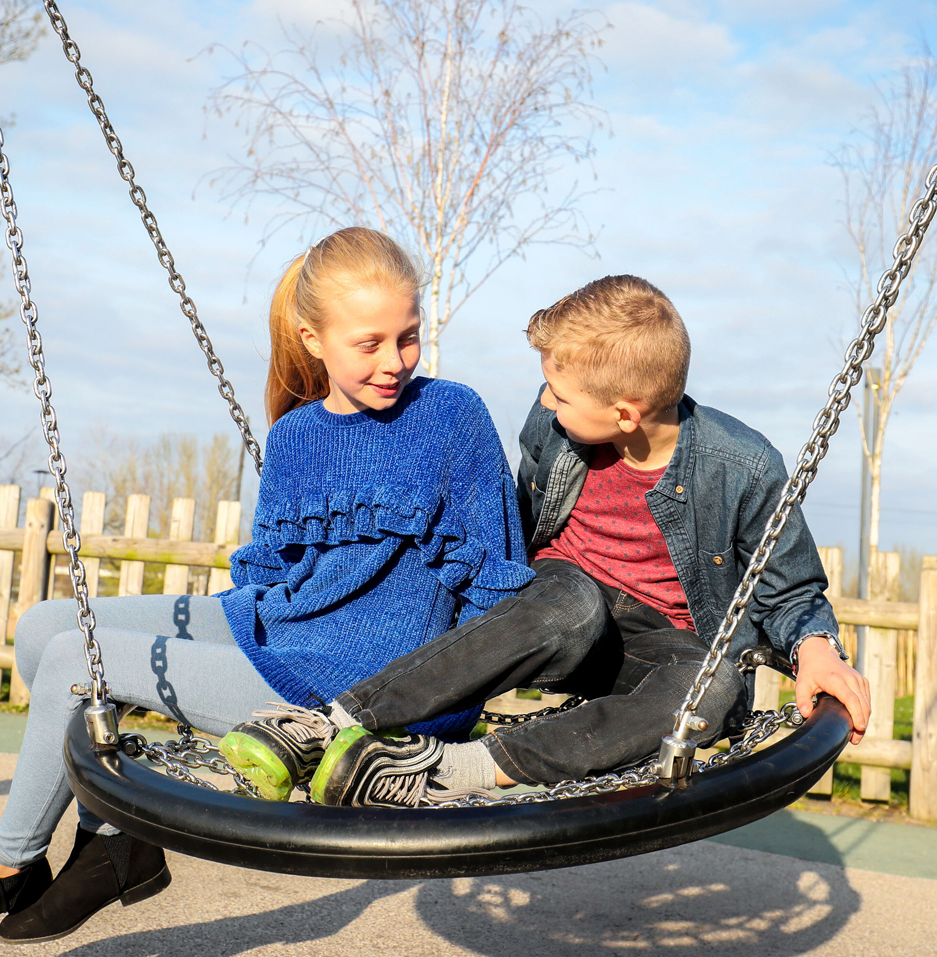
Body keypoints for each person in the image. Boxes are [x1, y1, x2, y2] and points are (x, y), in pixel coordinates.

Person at [0, 227, 533, 951]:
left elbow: (497, 584)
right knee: (47, 625)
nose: (395, 362)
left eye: (407, 337)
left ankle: (6, 863)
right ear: (313, 339)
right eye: (368, 343)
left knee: (70, 662)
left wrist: (435, 715)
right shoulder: (297, 435)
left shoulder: (451, 416)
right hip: (276, 627)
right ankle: (113, 836)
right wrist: (247, 615)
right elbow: (276, 570)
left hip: (351, 684)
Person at [220, 274, 871, 807]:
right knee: (572, 596)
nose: (546, 404)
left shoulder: (745, 466)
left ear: (625, 412)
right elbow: (507, 532)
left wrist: (816, 650)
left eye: (560, 395)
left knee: (714, 687)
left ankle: (441, 771)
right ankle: (329, 724)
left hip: (658, 648)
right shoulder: (556, 428)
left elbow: (789, 587)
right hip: (552, 613)